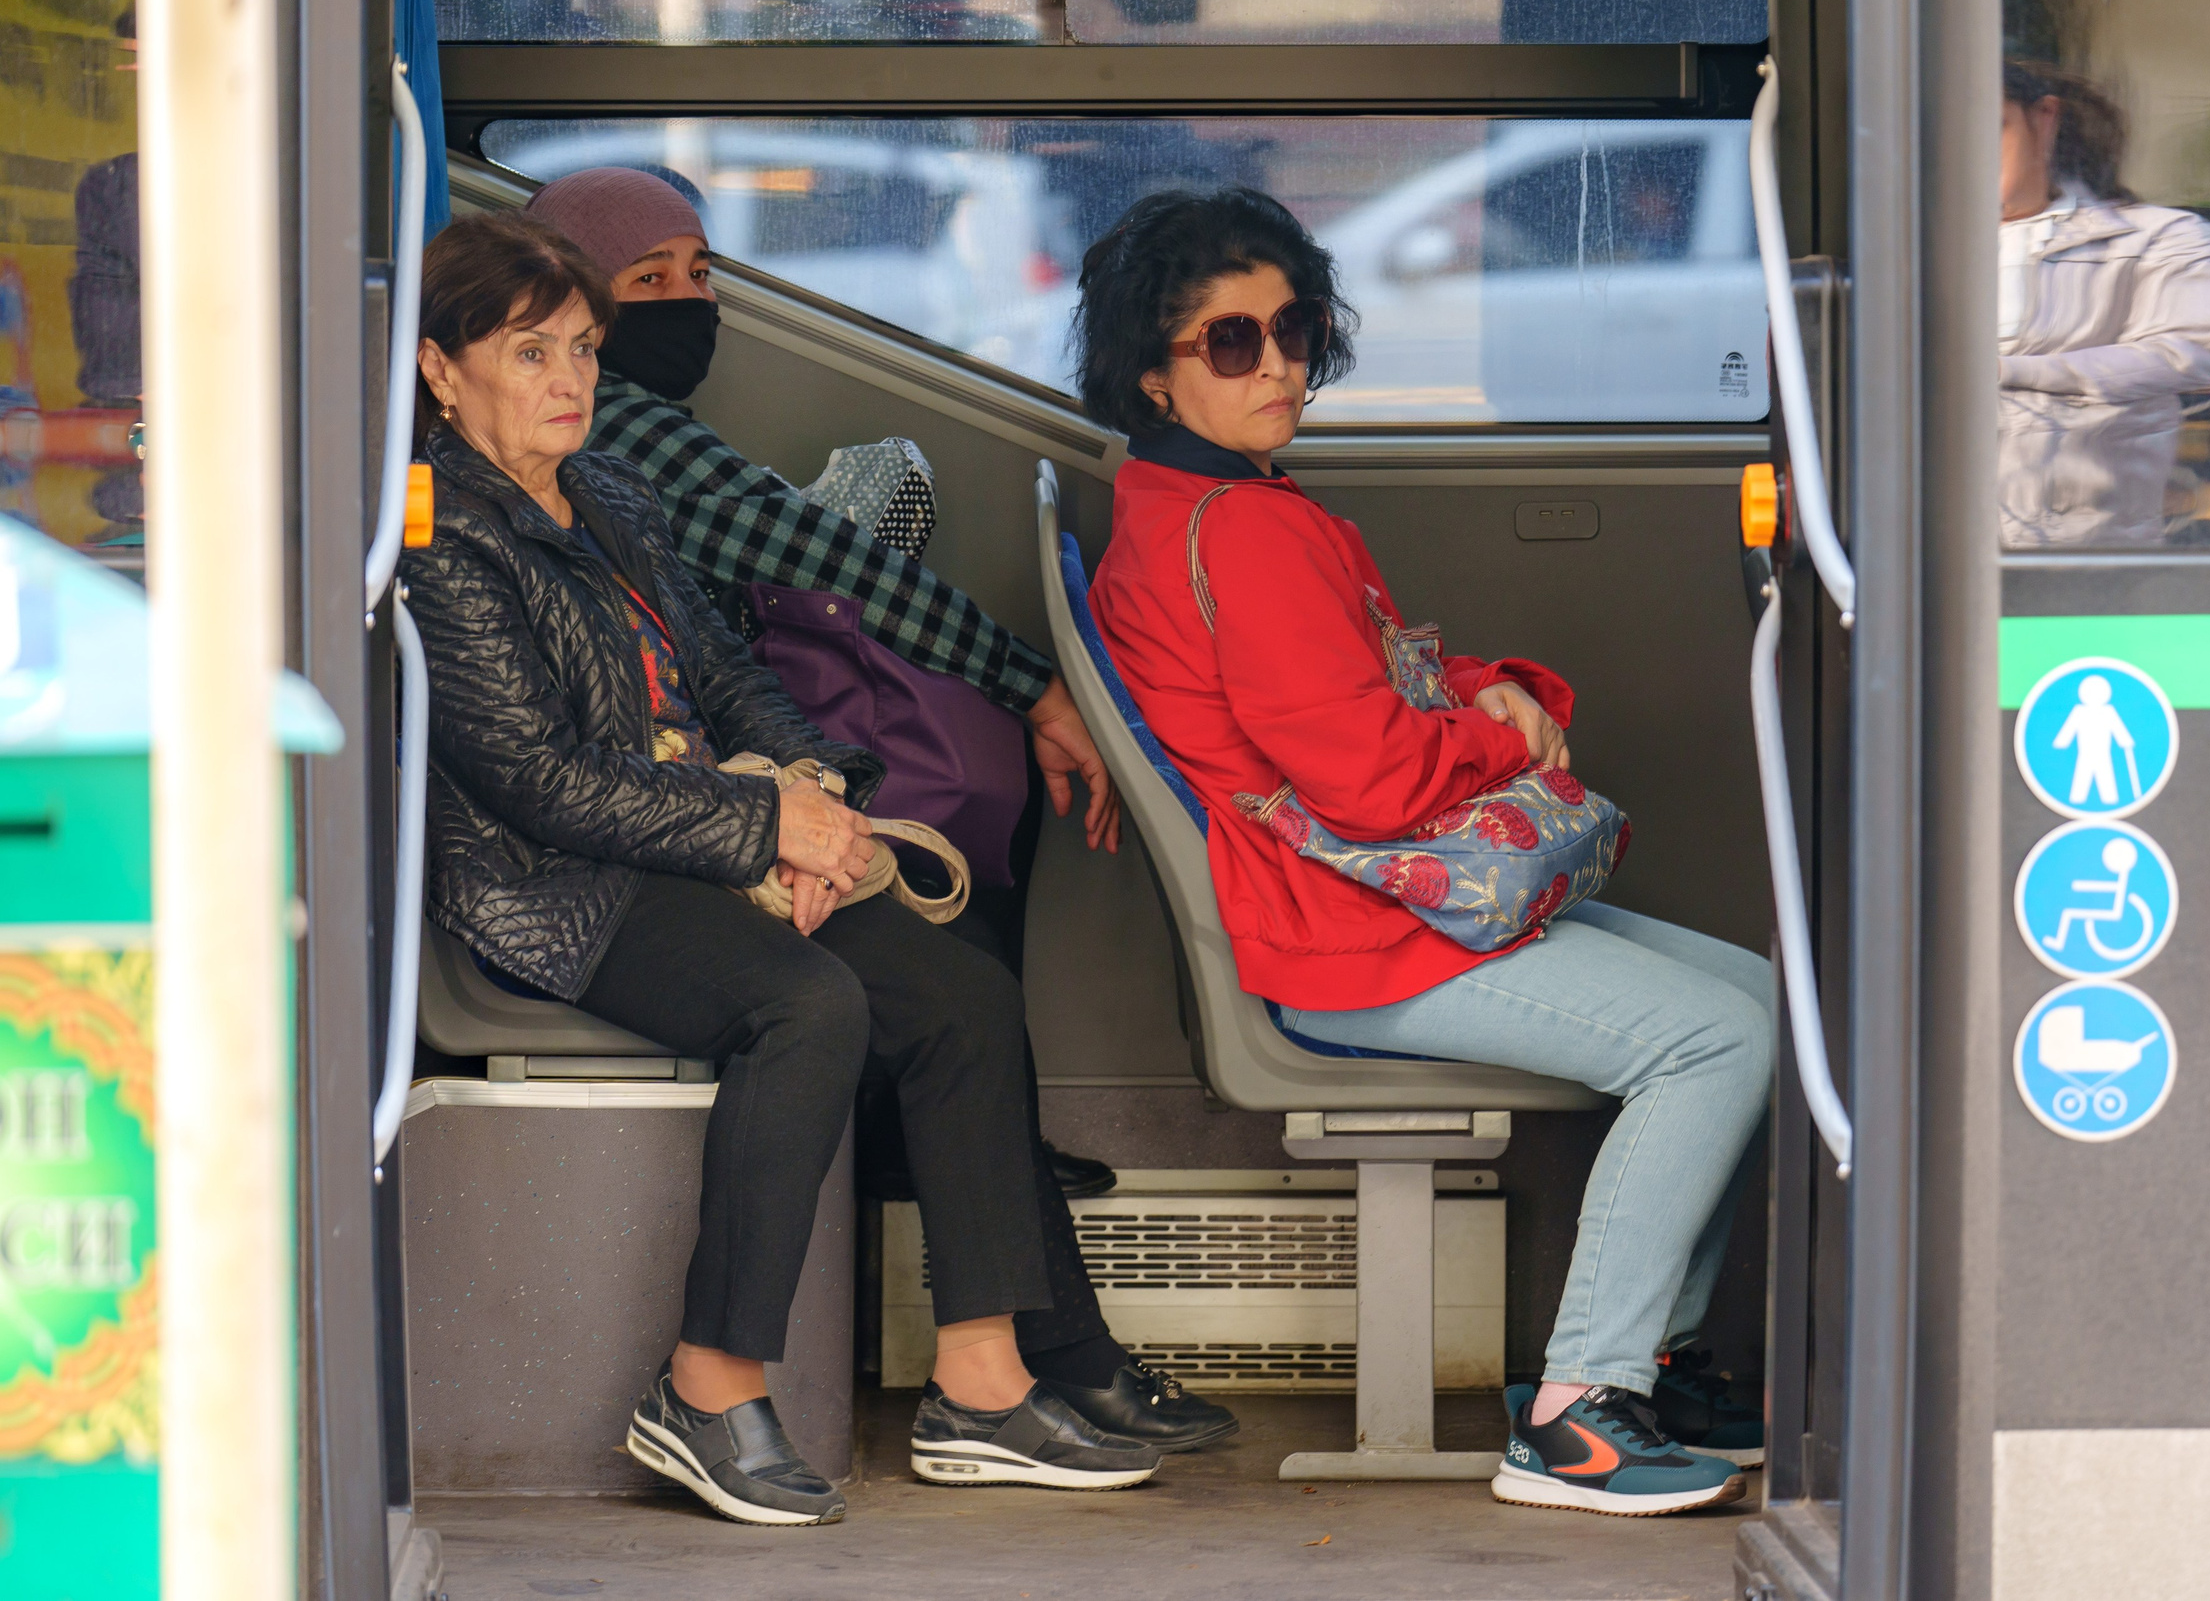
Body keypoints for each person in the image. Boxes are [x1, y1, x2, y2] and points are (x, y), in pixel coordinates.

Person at [400, 214, 1228, 1527]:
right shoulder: (443, 539)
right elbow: (536, 782)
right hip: (557, 886)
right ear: (444, 371)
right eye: (529, 351)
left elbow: (732, 677)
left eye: (582, 351)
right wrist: (759, 833)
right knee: (811, 1003)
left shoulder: (612, 494)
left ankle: (982, 1380)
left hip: (707, 844)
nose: (570, 380)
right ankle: (707, 1383)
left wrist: (819, 800)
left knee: (959, 998)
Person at [1078, 189, 1776, 1519]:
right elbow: (1377, 774)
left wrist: (1490, 687)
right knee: (1718, 1039)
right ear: (1151, 367)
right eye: (1231, 342)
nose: (1277, 362)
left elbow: (1370, 691)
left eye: (1295, 328)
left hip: (1349, 907)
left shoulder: (1203, 502)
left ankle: (1659, 1358)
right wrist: (1504, 736)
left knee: (1751, 992)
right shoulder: (1241, 532)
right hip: (1348, 934)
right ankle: (1582, 1409)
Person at [524, 165, 1126, 1197]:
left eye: (702, 271)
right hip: (656, 801)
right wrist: (1035, 688)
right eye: (648, 277)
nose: (687, 300)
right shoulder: (622, 425)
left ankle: (949, 1133)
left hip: (719, 739)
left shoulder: (624, 418)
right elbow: (815, 559)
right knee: (958, 787)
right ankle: (948, 1137)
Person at [1998, 59, 2210, 545]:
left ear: (2044, 120)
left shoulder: (2164, 238)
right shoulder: (1915, 250)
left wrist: (2011, 372)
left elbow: (2191, 353)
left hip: (2084, 552)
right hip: (1925, 549)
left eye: (1985, 128)